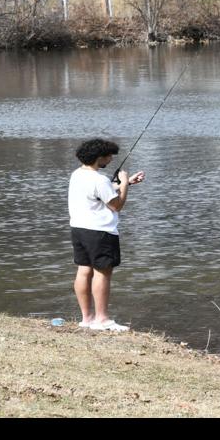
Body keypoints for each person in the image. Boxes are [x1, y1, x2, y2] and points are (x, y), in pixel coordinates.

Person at [67, 138, 144, 332]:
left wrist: (125, 184)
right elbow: (116, 205)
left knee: (84, 270)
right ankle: (102, 319)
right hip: (100, 232)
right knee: (103, 272)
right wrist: (124, 183)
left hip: (79, 229)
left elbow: (98, 194)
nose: (110, 160)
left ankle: (87, 318)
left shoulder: (78, 174)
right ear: (98, 157)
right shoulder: (99, 179)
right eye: (109, 156)